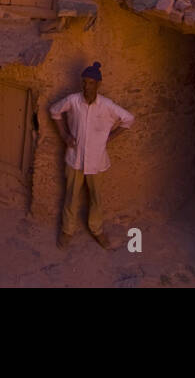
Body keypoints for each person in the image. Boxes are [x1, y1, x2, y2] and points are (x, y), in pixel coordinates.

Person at [49, 61, 134, 249]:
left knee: (96, 198)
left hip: (97, 161)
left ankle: (96, 230)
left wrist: (111, 136)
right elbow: (54, 111)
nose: (87, 86)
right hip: (75, 158)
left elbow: (129, 119)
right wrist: (64, 135)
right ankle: (67, 230)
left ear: (98, 84)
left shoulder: (106, 105)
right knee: (71, 195)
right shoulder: (72, 100)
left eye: (91, 83)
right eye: (84, 83)